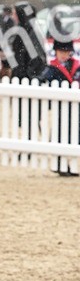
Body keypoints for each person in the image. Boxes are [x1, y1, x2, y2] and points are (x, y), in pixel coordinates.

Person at [39, 33, 80, 177]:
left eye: (66, 52)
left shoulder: (76, 66)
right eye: (61, 52)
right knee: (59, 134)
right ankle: (59, 164)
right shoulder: (52, 69)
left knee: (75, 135)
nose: (63, 55)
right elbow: (43, 81)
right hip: (61, 109)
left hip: (76, 108)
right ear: (55, 52)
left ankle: (72, 165)